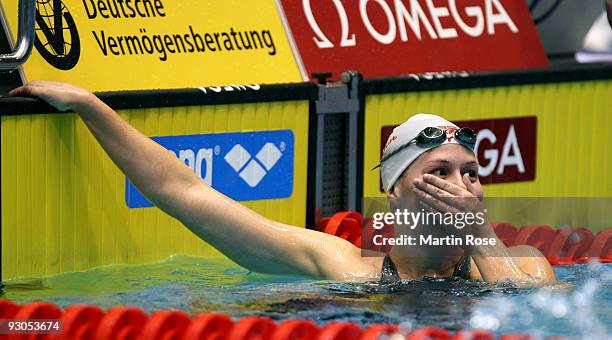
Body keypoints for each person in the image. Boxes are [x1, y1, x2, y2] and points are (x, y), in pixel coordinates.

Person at [9, 81, 555, 285]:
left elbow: (528, 307)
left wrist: (477, 229)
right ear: (395, 194)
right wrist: (88, 105)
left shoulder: (527, 264)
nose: (459, 186)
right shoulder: (343, 267)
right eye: (438, 173)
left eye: (470, 174)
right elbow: (187, 195)